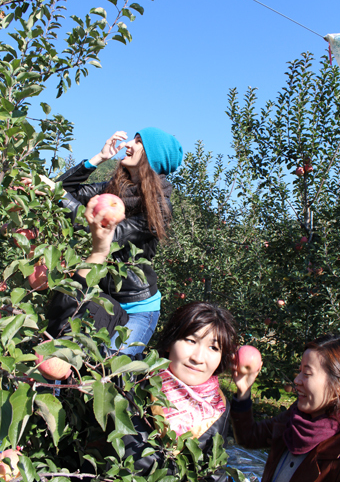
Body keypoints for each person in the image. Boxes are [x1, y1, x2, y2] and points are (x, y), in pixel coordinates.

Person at [46, 128, 183, 355]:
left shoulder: (160, 207)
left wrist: (60, 196)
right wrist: (97, 159)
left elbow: (107, 232)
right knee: (65, 341)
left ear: (152, 156)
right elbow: (60, 189)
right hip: (103, 297)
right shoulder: (113, 190)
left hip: (138, 307)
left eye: (138, 142)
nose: (129, 143)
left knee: (112, 367)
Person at [106, 300, 238, 480]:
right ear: (169, 343)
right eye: (191, 340)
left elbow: (213, 472)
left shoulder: (218, 407)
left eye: (213, 347)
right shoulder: (130, 379)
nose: (198, 358)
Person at [230, 334, 340, 482]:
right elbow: (249, 437)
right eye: (299, 371)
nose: (296, 380)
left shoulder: (335, 452)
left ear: (337, 387)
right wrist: (244, 391)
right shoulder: (294, 418)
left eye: (307, 373)